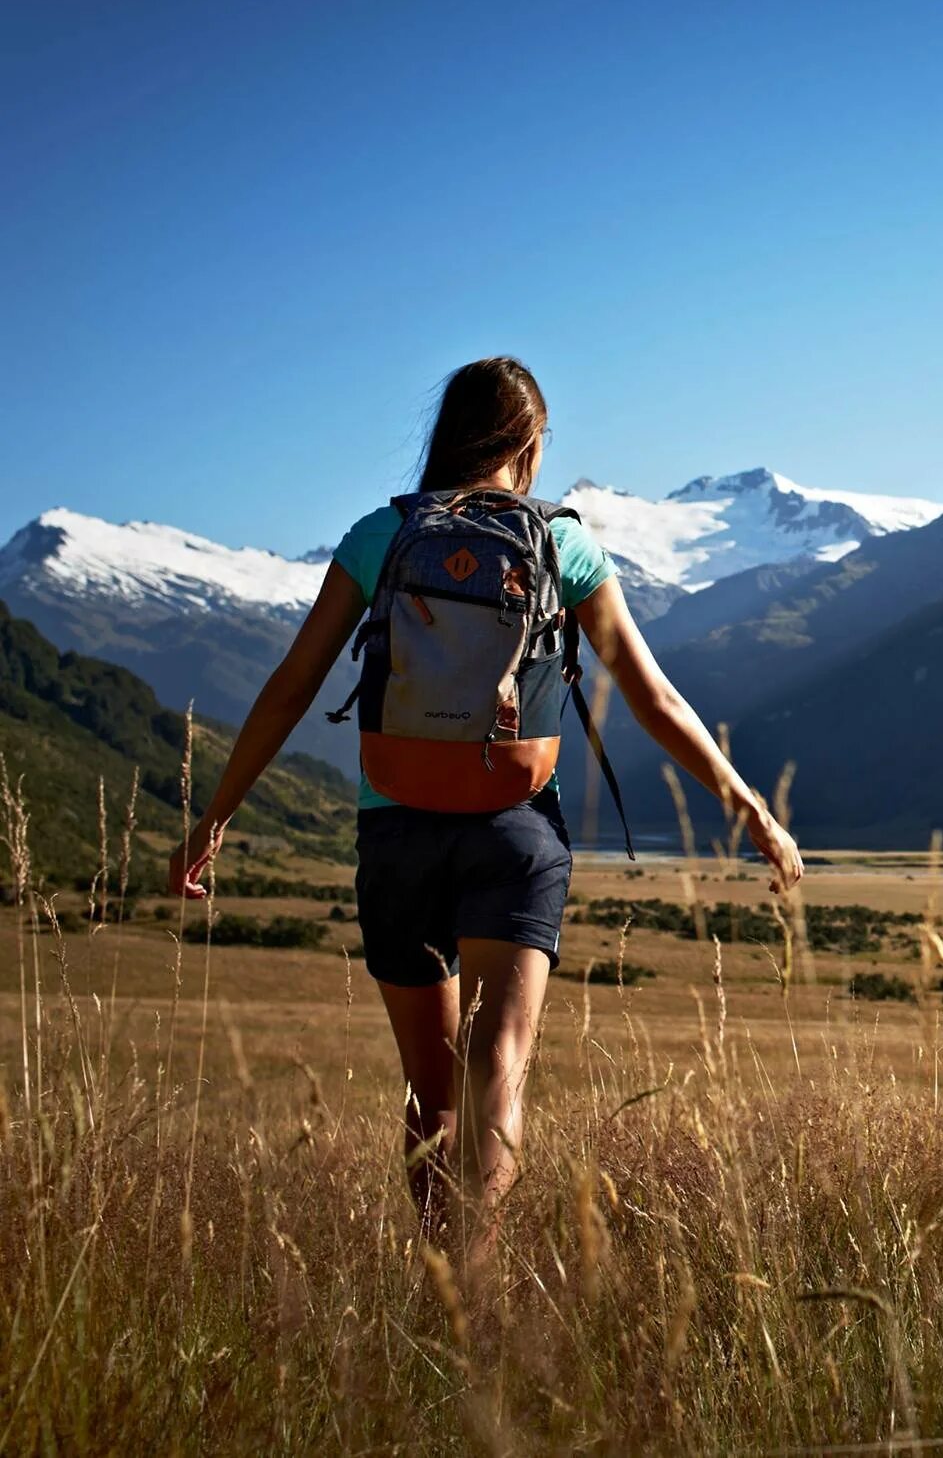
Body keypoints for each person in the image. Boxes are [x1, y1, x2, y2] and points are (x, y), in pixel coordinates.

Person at [168, 357, 802, 1254]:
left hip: (395, 828)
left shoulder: (379, 537)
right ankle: (476, 1293)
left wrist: (214, 816)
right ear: (528, 444)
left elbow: (290, 685)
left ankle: (438, 1292)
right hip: (514, 831)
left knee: (432, 1094)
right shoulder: (563, 543)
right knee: (497, 1072)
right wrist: (750, 808)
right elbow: (652, 696)